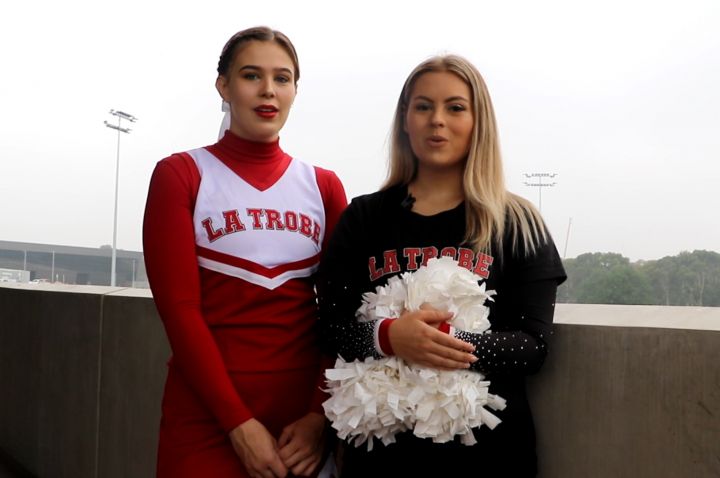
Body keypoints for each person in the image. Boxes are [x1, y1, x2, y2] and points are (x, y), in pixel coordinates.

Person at [318, 54, 566, 477]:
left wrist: (444, 343)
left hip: (490, 457)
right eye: (423, 106)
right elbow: (329, 329)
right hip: (380, 461)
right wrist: (389, 336)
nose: (437, 120)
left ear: (477, 121)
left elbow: (534, 346)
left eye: (455, 107)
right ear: (405, 120)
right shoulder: (363, 218)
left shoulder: (517, 222)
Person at [143, 26, 347, 478]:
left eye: (282, 78)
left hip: (301, 428)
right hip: (206, 417)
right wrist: (237, 423)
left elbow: (341, 313)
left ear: (295, 90)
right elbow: (180, 311)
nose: (268, 90)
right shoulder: (181, 174)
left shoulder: (324, 186)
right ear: (224, 86)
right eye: (252, 75)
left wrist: (319, 416)